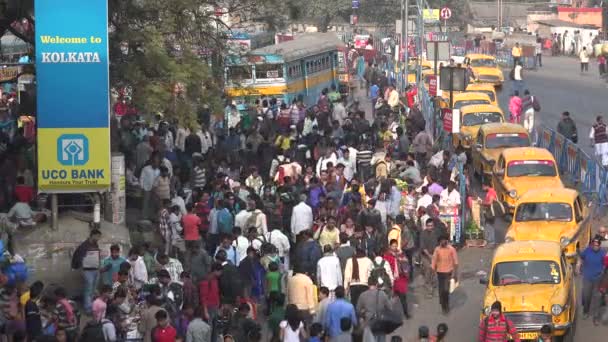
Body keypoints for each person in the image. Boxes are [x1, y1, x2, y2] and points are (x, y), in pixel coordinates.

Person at [71, 229, 102, 315]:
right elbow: (77, 256)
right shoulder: (84, 246)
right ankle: (88, 308)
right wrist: (81, 266)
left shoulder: (95, 244)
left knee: (93, 289)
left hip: (95, 269)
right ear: (92, 235)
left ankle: (92, 306)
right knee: (88, 289)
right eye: (98, 236)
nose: (99, 238)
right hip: (88, 271)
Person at [577, 237, 606, 324]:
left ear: (600, 246)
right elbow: (581, 256)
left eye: (597, 245)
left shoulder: (603, 253)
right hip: (587, 278)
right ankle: (586, 311)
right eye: (594, 245)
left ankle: (596, 317)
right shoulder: (587, 250)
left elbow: (605, 264)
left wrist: (602, 272)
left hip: (598, 279)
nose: (595, 246)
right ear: (592, 245)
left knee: (597, 298)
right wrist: (577, 249)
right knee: (586, 296)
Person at [356, 277, 392, 342]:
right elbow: (390, 308)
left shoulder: (363, 295)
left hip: (368, 323)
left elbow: (358, 310)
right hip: (381, 323)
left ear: (368, 284)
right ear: (376, 284)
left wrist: (363, 315)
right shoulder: (382, 294)